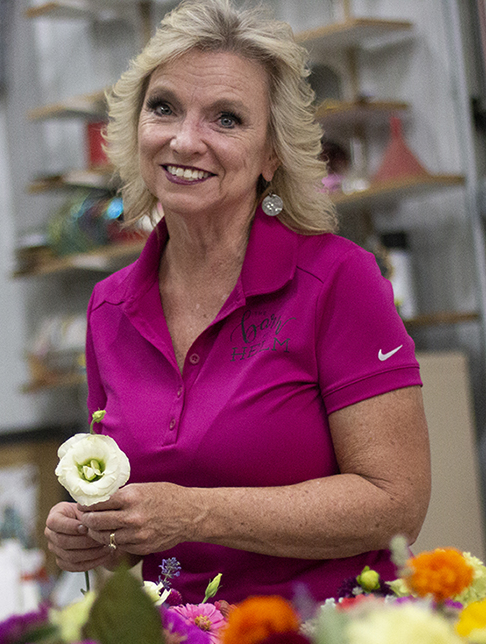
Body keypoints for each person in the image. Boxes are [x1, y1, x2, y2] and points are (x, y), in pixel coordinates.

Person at [45, 0, 431, 606]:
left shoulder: (336, 279)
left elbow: (395, 503)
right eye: (164, 107)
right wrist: (94, 535)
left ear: (271, 154)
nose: (184, 139)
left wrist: (195, 514)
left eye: (226, 119)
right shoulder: (108, 308)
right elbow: (138, 526)